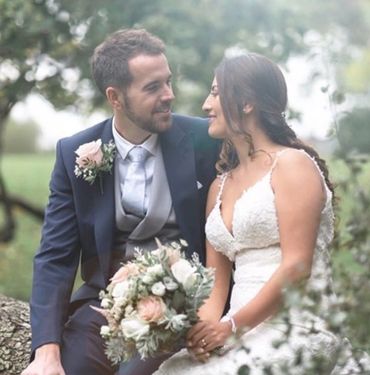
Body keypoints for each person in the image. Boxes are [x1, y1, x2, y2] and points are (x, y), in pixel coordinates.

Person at [21, 28, 219, 375]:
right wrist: (46, 351)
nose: (169, 95)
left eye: (168, 82)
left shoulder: (204, 138)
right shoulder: (75, 153)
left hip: (185, 308)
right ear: (116, 97)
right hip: (103, 309)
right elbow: (56, 256)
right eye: (153, 87)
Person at [154, 52, 355, 375]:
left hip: (298, 326)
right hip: (238, 331)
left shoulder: (292, 165)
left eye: (216, 93)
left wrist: (232, 325)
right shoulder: (218, 187)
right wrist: (203, 333)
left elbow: (298, 266)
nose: (206, 105)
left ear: (247, 103)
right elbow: (216, 284)